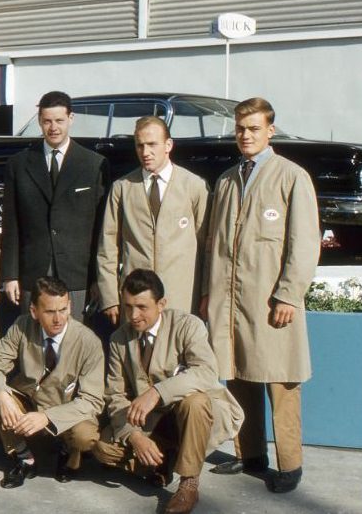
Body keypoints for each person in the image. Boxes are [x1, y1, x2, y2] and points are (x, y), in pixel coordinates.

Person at [200, 97, 321, 493]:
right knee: (238, 374)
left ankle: (290, 464)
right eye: (240, 128)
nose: (245, 135)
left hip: (271, 301)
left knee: (282, 382)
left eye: (253, 128)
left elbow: (304, 243)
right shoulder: (227, 180)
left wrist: (288, 294)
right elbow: (214, 244)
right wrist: (208, 294)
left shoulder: (291, 176)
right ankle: (248, 453)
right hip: (231, 301)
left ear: (270, 130)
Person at [94, 269, 243, 514]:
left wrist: (156, 392)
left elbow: (206, 372)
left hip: (196, 415)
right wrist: (134, 436)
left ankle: (188, 482)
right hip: (152, 422)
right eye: (128, 306)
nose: (133, 315)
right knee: (102, 449)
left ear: (161, 304)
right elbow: (115, 395)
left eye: (142, 307)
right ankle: (164, 459)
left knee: (194, 402)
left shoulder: (188, 325)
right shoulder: (119, 338)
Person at [0, 276, 105, 488]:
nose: (58, 319)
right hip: (30, 403)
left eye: (63, 310)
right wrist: (1, 394)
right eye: (49, 311)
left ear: (70, 306)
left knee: (86, 435)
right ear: (34, 311)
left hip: (65, 412)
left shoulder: (88, 341)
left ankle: (67, 453)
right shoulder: (22, 326)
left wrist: (48, 417)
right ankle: (24, 457)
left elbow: (92, 401)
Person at [1, 90, 109, 321]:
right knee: (32, 340)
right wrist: (10, 275)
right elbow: (11, 225)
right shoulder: (18, 164)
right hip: (33, 271)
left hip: (78, 273)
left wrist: (98, 279)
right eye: (47, 121)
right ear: (39, 121)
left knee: (75, 342)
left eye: (59, 120)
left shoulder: (94, 165)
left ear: (71, 118)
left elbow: (101, 229)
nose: (53, 128)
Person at [97, 116, 209, 325]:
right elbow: (108, 246)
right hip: (135, 297)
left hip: (181, 295)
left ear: (168, 145)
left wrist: (206, 292)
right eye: (140, 146)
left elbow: (207, 247)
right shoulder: (123, 187)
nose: (145, 152)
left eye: (152, 145)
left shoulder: (194, 186)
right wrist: (110, 296)